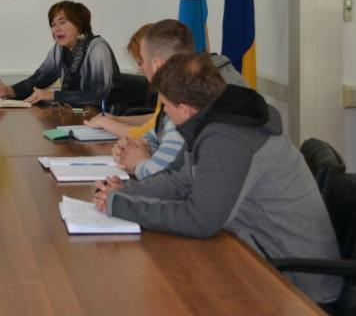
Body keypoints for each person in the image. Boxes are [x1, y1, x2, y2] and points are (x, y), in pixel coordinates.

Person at [92, 53, 341, 303]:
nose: (164, 112)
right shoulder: (211, 118)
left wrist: (121, 206)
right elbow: (180, 180)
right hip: (256, 254)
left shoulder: (228, 137)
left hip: (297, 285)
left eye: (165, 105)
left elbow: (200, 220)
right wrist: (126, 191)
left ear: (185, 108)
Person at [95, 19, 246, 179]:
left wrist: (137, 162)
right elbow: (157, 134)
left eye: (141, 61)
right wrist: (135, 147)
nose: (140, 68)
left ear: (157, 65)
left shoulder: (192, 93)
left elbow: (166, 175)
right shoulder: (185, 84)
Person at [0, 0, 119, 105]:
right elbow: (38, 80)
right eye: (53, 25)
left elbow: (98, 95)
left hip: (110, 118)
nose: (56, 29)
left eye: (62, 22)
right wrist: (8, 90)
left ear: (79, 25)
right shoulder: (59, 49)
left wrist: (53, 96)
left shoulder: (97, 48)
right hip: (78, 117)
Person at [83, 23, 154, 138]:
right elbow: (156, 120)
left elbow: (152, 137)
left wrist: (107, 123)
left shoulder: (177, 91)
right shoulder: (165, 88)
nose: (139, 69)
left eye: (140, 62)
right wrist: (117, 119)